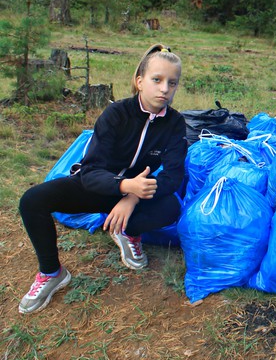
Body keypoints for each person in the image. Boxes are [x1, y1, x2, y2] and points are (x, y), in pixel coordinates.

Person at [17, 44, 188, 314]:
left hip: (132, 193)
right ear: (139, 81)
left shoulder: (175, 123)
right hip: (96, 187)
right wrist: (122, 185)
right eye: (157, 80)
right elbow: (91, 170)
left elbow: (174, 175)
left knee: (171, 208)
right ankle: (52, 273)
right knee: (32, 201)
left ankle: (128, 232)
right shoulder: (117, 114)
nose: (165, 88)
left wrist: (132, 195)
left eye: (172, 82)